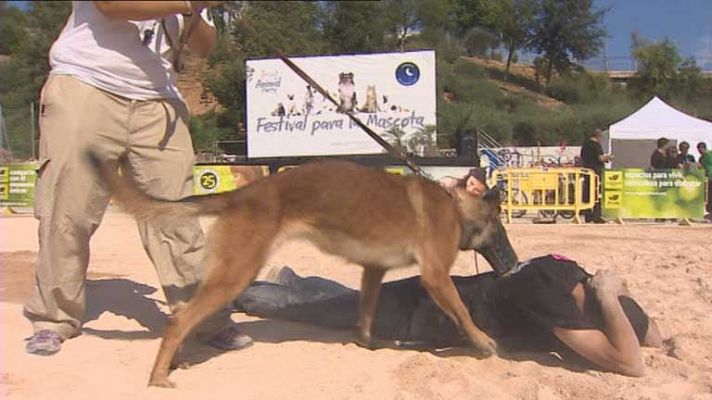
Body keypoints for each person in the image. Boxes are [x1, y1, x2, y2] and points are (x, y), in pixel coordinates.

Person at [23, 1, 252, 356]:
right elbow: (112, 6)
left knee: (178, 215)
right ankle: (53, 319)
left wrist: (197, 10)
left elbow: (204, 46)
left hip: (158, 99)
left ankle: (205, 318)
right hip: (88, 83)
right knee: (68, 207)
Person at [234, 254, 663, 377]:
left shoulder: (569, 272)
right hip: (424, 317)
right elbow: (630, 364)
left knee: (348, 301)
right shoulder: (552, 297)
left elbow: (649, 335)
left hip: (443, 293)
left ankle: (290, 276)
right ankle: (236, 293)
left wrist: (615, 292)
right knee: (317, 313)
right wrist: (611, 299)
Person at [579, 129, 611, 223]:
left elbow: (582, 157)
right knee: (597, 194)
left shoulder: (585, 145)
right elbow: (600, 158)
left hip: (586, 171)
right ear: (599, 136)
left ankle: (588, 215)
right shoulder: (596, 145)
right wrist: (607, 158)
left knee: (587, 193)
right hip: (596, 172)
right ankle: (597, 216)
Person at [697, 142, 712, 220]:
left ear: (703, 148)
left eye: (700, 150)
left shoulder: (710, 154)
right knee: (708, 196)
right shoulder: (701, 158)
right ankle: (710, 212)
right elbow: (701, 168)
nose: (699, 152)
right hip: (707, 179)